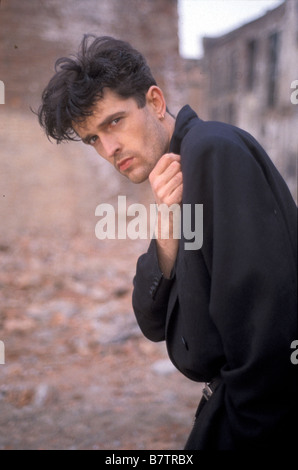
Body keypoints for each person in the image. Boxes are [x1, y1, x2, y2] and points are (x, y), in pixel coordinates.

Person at [38, 34, 297, 450]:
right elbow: (151, 321)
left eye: (114, 122)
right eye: (93, 139)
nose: (109, 149)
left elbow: (268, 329)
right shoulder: (176, 176)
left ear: (155, 102)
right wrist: (166, 230)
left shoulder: (212, 151)